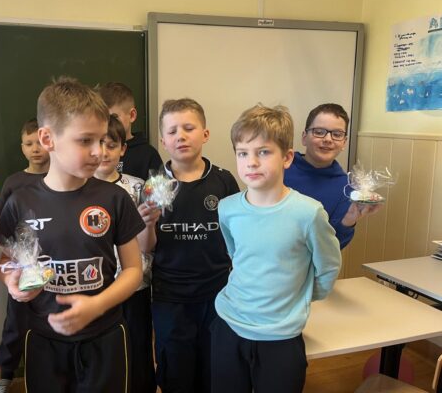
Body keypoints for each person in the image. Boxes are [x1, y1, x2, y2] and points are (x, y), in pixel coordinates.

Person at [0, 77, 146, 393]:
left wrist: (97, 305)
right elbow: (7, 260)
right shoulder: (21, 201)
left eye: (102, 140)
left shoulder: (114, 198)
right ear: (47, 138)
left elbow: (133, 270)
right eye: (85, 140)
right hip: (43, 338)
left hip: (105, 336)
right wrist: (12, 282)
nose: (98, 151)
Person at [212, 104, 342, 393]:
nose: (251, 162)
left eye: (263, 152)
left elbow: (328, 265)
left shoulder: (308, 213)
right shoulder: (227, 208)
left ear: (287, 157)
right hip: (229, 324)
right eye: (242, 153)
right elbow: (236, 255)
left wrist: (301, 296)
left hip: (281, 335)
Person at [147, 98, 239, 393]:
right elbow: (145, 248)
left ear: (205, 134)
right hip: (170, 297)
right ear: (163, 141)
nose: (181, 136)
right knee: (176, 372)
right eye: (172, 131)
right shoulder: (153, 186)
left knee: (214, 369)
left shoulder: (223, 182)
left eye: (189, 128)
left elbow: (238, 237)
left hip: (217, 294)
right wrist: (147, 223)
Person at [93, 114, 160, 393]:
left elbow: (147, 246)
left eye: (111, 145)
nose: (104, 152)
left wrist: (148, 223)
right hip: (96, 286)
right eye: (98, 144)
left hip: (135, 286)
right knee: (103, 355)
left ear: (123, 149)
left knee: (138, 349)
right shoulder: (79, 187)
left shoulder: (138, 187)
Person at [0, 117, 50, 393]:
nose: (35, 149)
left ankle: (44, 370)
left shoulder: (63, 179)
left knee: (48, 316)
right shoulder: (14, 182)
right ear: (22, 147)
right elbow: (0, 222)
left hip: (54, 263)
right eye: (28, 144)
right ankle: (6, 372)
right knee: (16, 319)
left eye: (39, 142)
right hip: (20, 263)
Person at [284, 103, 380, 249]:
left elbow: (334, 245)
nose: (328, 139)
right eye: (319, 132)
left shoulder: (346, 188)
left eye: (337, 134)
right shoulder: (280, 169)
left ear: (344, 143)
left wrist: (348, 221)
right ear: (304, 137)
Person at [98, 82, 163, 180]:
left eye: (113, 117)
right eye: (102, 117)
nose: (108, 123)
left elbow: (158, 188)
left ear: (132, 115)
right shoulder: (94, 151)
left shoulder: (148, 155)